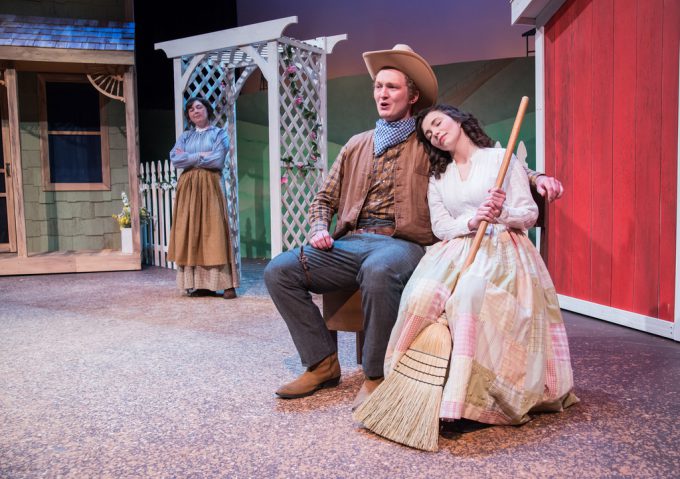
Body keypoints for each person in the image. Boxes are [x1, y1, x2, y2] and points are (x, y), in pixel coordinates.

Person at [264, 45, 562, 409]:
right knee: (279, 270)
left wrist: (535, 176)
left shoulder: (427, 138)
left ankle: (376, 376)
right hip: (351, 241)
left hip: (402, 243)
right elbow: (323, 198)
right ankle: (321, 362)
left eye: (392, 87)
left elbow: (483, 155)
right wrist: (316, 228)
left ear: (412, 96)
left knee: (379, 270)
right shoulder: (357, 144)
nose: (382, 94)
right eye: (378, 87)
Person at [383, 104, 578, 426]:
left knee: (469, 297)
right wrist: (473, 219)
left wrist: (500, 214)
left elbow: (528, 214)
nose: (435, 134)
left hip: (503, 247)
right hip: (455, 248)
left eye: (438, 123)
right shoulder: (439, 176)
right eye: (429, 134)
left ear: (458, 118)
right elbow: (441, 227)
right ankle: (412, 388)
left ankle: (469, 399)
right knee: (420, 296)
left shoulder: (500, 160)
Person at [167, 97, 239, 299]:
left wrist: (190, 157)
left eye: (199, 107)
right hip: (188, 187)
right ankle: (199, 284)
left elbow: (217, 159)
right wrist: (201, 156)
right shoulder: (185, 137)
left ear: (207, 110)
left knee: (214, 230)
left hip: (210, 185)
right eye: (191, 109)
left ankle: (225, 284)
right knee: (191, 232)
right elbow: (175, 158)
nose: (195, 111)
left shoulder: (219, 133)